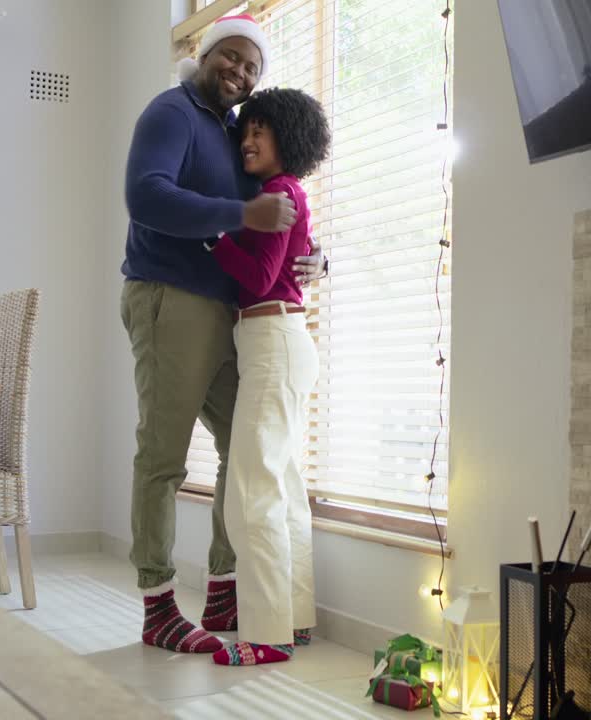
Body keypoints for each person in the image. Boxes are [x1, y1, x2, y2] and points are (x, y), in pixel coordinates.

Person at [120, 14, 325, 654]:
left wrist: (316, 257)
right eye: (229, 58)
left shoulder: (238, 132)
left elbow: (278, 212)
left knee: (246, 450)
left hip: (229, 314)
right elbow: (145, 196)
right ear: (204, 54)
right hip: (170, 300)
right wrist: (240, 213)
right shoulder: (171, 113)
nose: (238, 72)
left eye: (252, 67)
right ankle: (157, 605)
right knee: (164, 457)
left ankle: (223, 585)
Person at [204, 87, 331, 667]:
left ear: (288, 138)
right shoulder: (285, 194)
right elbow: (287, 266)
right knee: (282, 487)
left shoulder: (279, 194)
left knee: (253, 489)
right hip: (282, 340)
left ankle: (265, 634)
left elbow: (258, 278)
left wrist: (211, 235)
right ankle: (292, 619)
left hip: (272, 339)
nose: (249, 140)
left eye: (262, 131)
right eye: (245, 131)